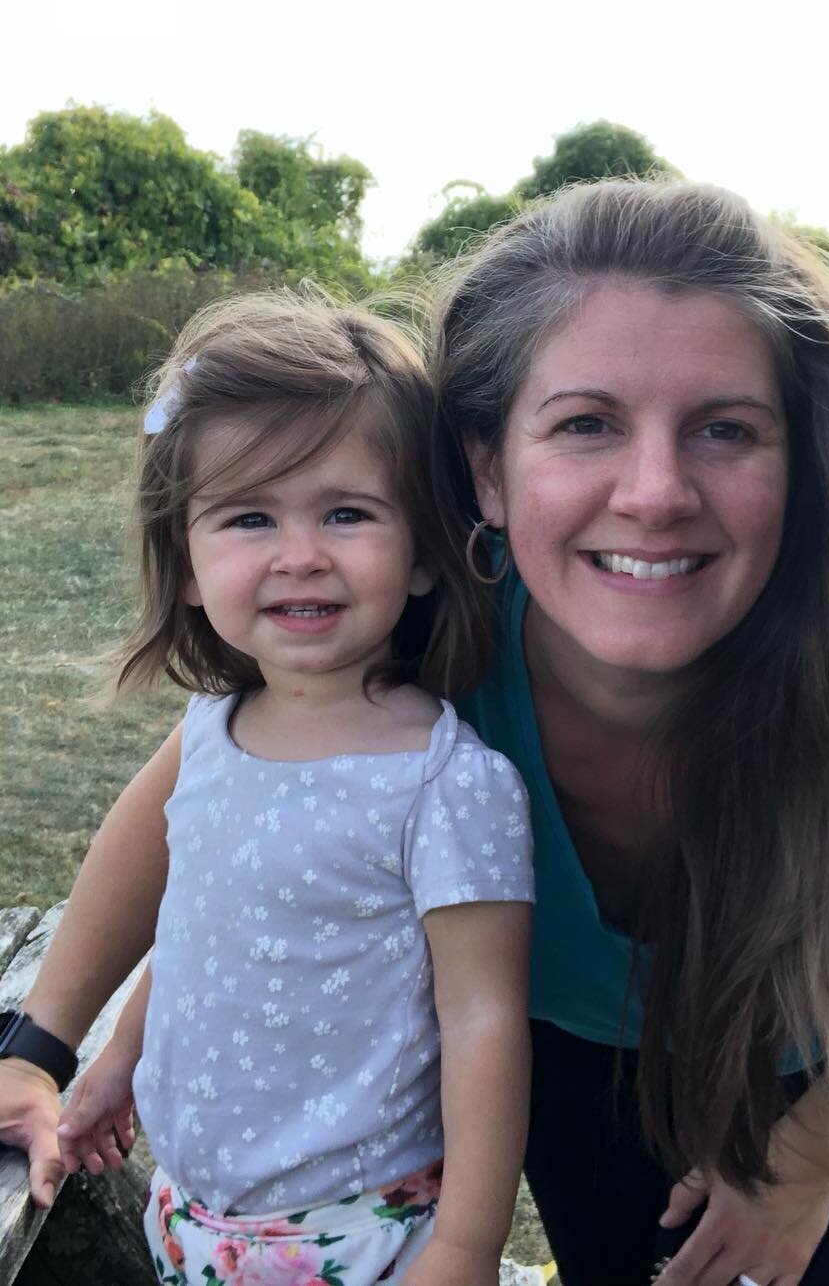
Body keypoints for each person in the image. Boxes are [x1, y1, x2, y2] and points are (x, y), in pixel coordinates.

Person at [0, 179, 829, 1286]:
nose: (655, 493)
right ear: (484, 467)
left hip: (800, 1077)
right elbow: (181, 800)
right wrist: (39, 1045)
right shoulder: (414, 637)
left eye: (725, 429)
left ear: (802, 463)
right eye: (586, 424)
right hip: (556, 1053)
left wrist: (805, 1165)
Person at [20, 291, 535, 1286]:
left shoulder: (447, 783)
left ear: (425, 556)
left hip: (360, 1238)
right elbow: (201, 928)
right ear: (187, 566)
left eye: (346, 513)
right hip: (193, 1218)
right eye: (250, 516)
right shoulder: (212, 733)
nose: (301, 553)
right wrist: (117, 1060)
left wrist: (467, 1247)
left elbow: (484, 1024)